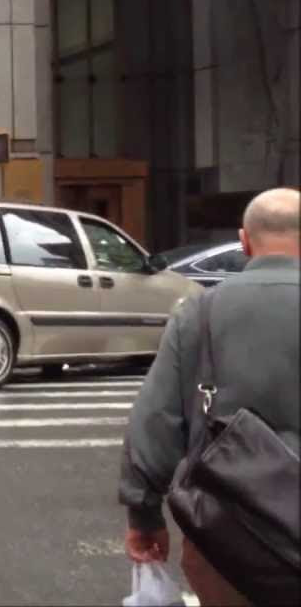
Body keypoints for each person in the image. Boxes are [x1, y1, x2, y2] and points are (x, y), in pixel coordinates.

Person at [119, 186, 300, 605]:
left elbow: (156, 419)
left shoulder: (199, 314)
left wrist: (143, 515)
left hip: (228, 541)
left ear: (244, 241)